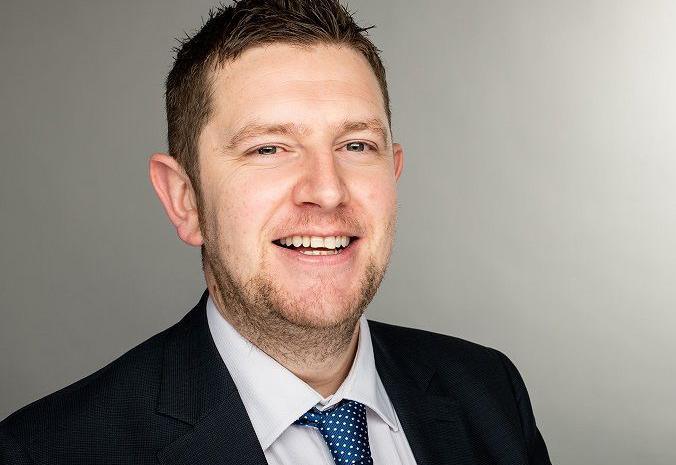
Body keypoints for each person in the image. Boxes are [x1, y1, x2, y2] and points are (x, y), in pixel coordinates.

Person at [0, 1, 551, 463]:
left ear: (393, 171)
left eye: (356, 145)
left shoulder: (489, 393)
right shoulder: (47, 450)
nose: (328, 190)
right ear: (184, 199)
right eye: (269, 149)